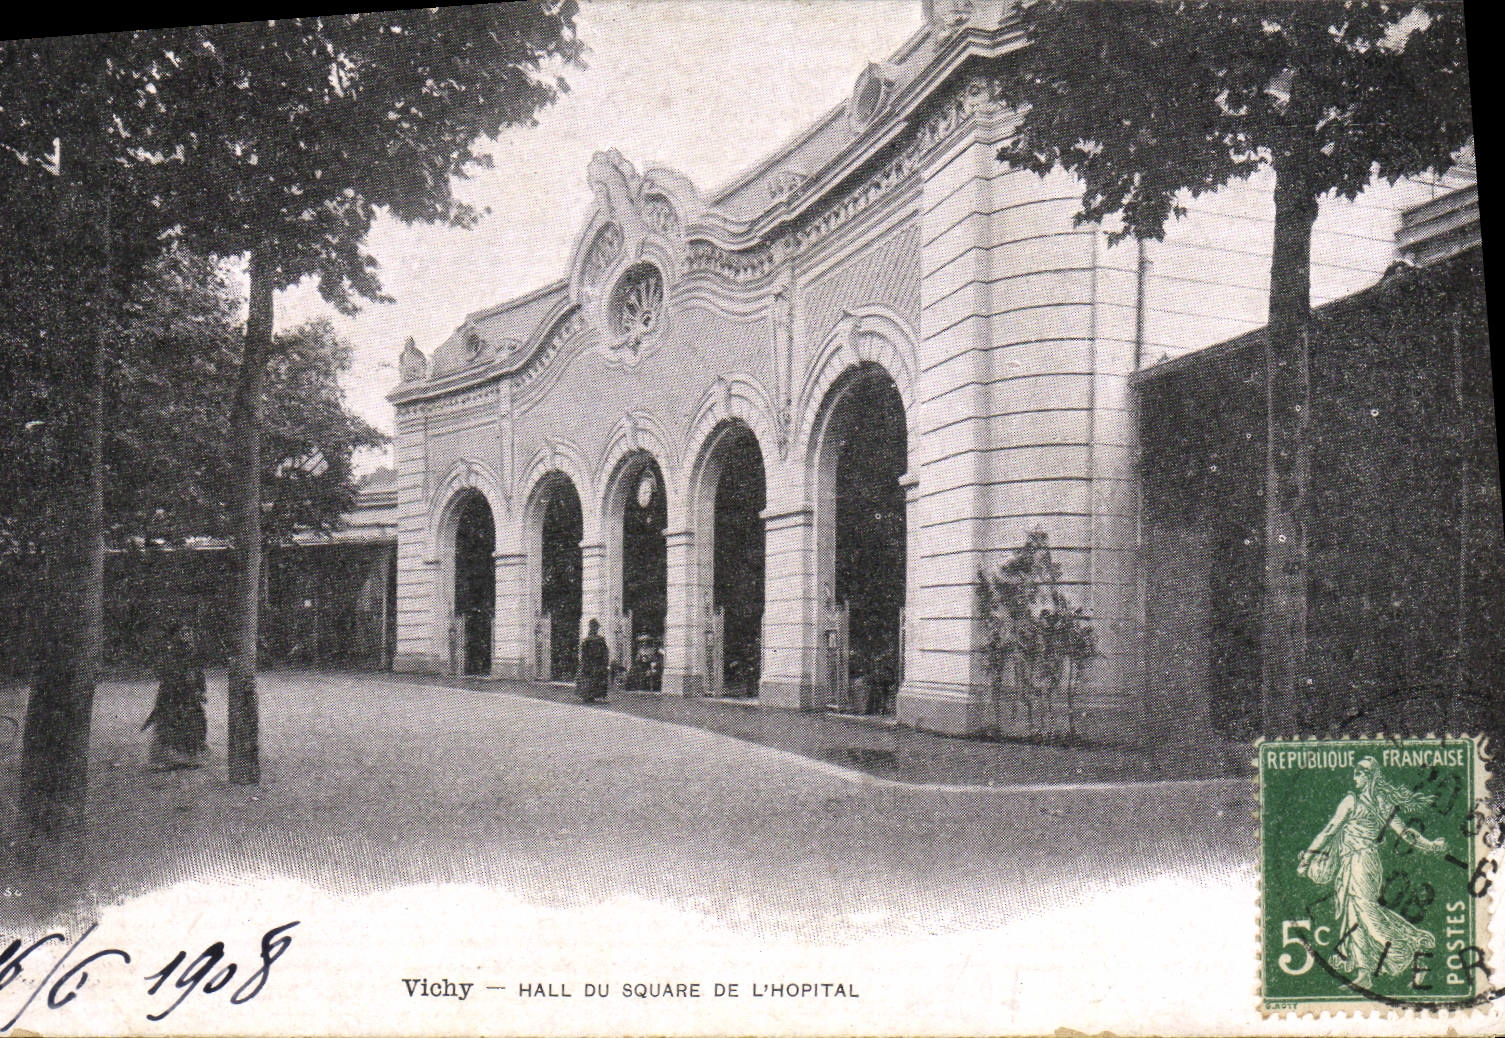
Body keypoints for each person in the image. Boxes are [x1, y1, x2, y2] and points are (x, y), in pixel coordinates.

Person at [1298, 756, 1445, 988]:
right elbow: (1406, 833)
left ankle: (1416, 946)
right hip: (1352, 863)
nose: (1354, 778)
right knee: (1354, 917)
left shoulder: (1354, 801)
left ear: (1370, 777)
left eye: (1359, 774)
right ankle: (1364, 973)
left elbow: (1328, 831)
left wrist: (1307, 857)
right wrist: (1430, 845)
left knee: (1368, 916)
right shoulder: (1381, 803)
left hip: (1362, 863)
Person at [142, 621, 208, 770]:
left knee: (194, 723)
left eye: (189, 632)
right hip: (172, 695)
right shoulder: (170, 654)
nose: (187, 636)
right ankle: (166, 758)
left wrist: (200, 690)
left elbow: (198, 673)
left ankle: (190, 756)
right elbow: (166, 675)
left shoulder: (193, 653)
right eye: (183, 633)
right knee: (169, 723)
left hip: (190, 696)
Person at [577, 618, 610, 703]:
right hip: (592, 662)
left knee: (594, 678)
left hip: (596, 662)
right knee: (591, 678)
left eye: (596, 627)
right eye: (594, 627)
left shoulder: (598, 639)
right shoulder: (589, 640)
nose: (595, 629)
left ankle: (592, 695)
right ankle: (589, 695)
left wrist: (605, 661)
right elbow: (584, 653)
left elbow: (605, 651)